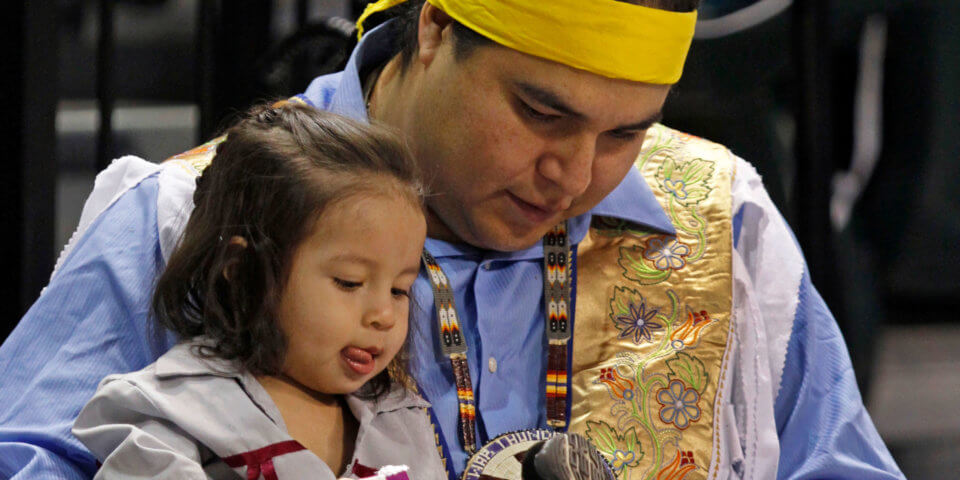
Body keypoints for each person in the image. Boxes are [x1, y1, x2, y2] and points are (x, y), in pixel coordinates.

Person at [0, 0, 905, 479]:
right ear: (435, 26)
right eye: (541, 110)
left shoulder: (724, 217)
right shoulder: (192, 216)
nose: (578, 173)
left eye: (628, 130)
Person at [70, 103, 443, 479]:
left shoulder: (403, 424)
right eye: (349, 282)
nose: (383, 315)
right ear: (244, 269)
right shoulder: (170, 416)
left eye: (399, 290)